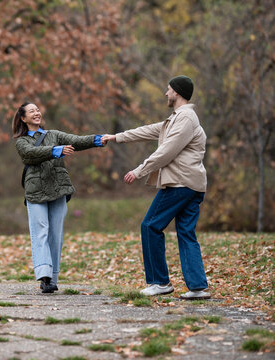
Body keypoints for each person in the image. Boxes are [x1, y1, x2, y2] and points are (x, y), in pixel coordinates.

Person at [102, 75, 210, 300]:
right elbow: (148, 130)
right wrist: (116, 137)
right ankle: (198, 287)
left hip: (181, 184)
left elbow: (167, 151)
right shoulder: (178, 119)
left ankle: (159, 282)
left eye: (168, 89)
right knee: (186, 233)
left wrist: (138, 171)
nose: (165, 93)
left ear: (177, 93)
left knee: (150, 226)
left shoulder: (186, 118)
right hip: (192, 185)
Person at [13, 102, 103, 293]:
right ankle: (44, 276)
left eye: (38, 109)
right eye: (32, 111)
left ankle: (52, 279)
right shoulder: (22, 141)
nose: (37, 112)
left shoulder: (53, 134)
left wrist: (98, 139)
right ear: (23, 118)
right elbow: (30, 154)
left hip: (58, 188)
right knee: (41, 232)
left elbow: (76, 141)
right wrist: (56, 151)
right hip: (35, 191)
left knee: (56, 234)